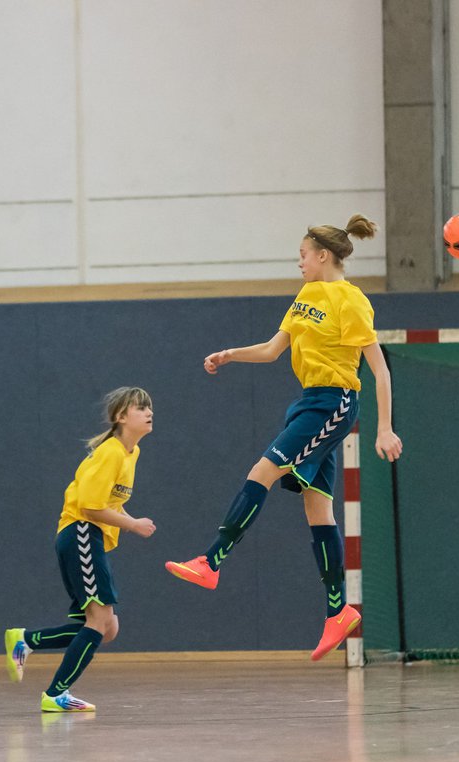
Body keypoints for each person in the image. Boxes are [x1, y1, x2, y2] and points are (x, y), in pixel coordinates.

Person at [164, 214, 403, 660]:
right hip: (308, 401)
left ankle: (212, 560)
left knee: (263, 470)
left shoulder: (351, 302)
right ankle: (339, 612)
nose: (298, 263)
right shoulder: (306, 295)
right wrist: (231, 354)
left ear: (322, 255)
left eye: (302, 256)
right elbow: (276, 349)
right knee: (317, 505)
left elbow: (380, 369)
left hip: (333, 403)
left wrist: (384, 427)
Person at [5, 387, 156, 713]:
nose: (148, 412)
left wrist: (132, 520)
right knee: (100, 622)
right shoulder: (111, 452)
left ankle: (26, 640)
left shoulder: (131, 454)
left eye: (150, 407)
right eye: (140, 407)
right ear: (120, 417)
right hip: (81, 533)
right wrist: (133, 525)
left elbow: (111, 502)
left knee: (107, 628)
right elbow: (89, 507)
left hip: (88, 538)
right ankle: (56, 693)